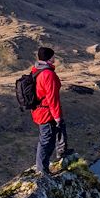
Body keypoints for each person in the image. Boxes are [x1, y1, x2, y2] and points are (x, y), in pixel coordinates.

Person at [32, 47, 69, 175]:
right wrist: (57, 116)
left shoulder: (38, 69)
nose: (55, 58)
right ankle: (42, 170)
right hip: (46, 113)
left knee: (50, 137)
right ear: (49, 58)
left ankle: (61, 153)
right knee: (46, 140)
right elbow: (52, 97)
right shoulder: (48, 74)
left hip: (42, 110)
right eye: (53, 56)